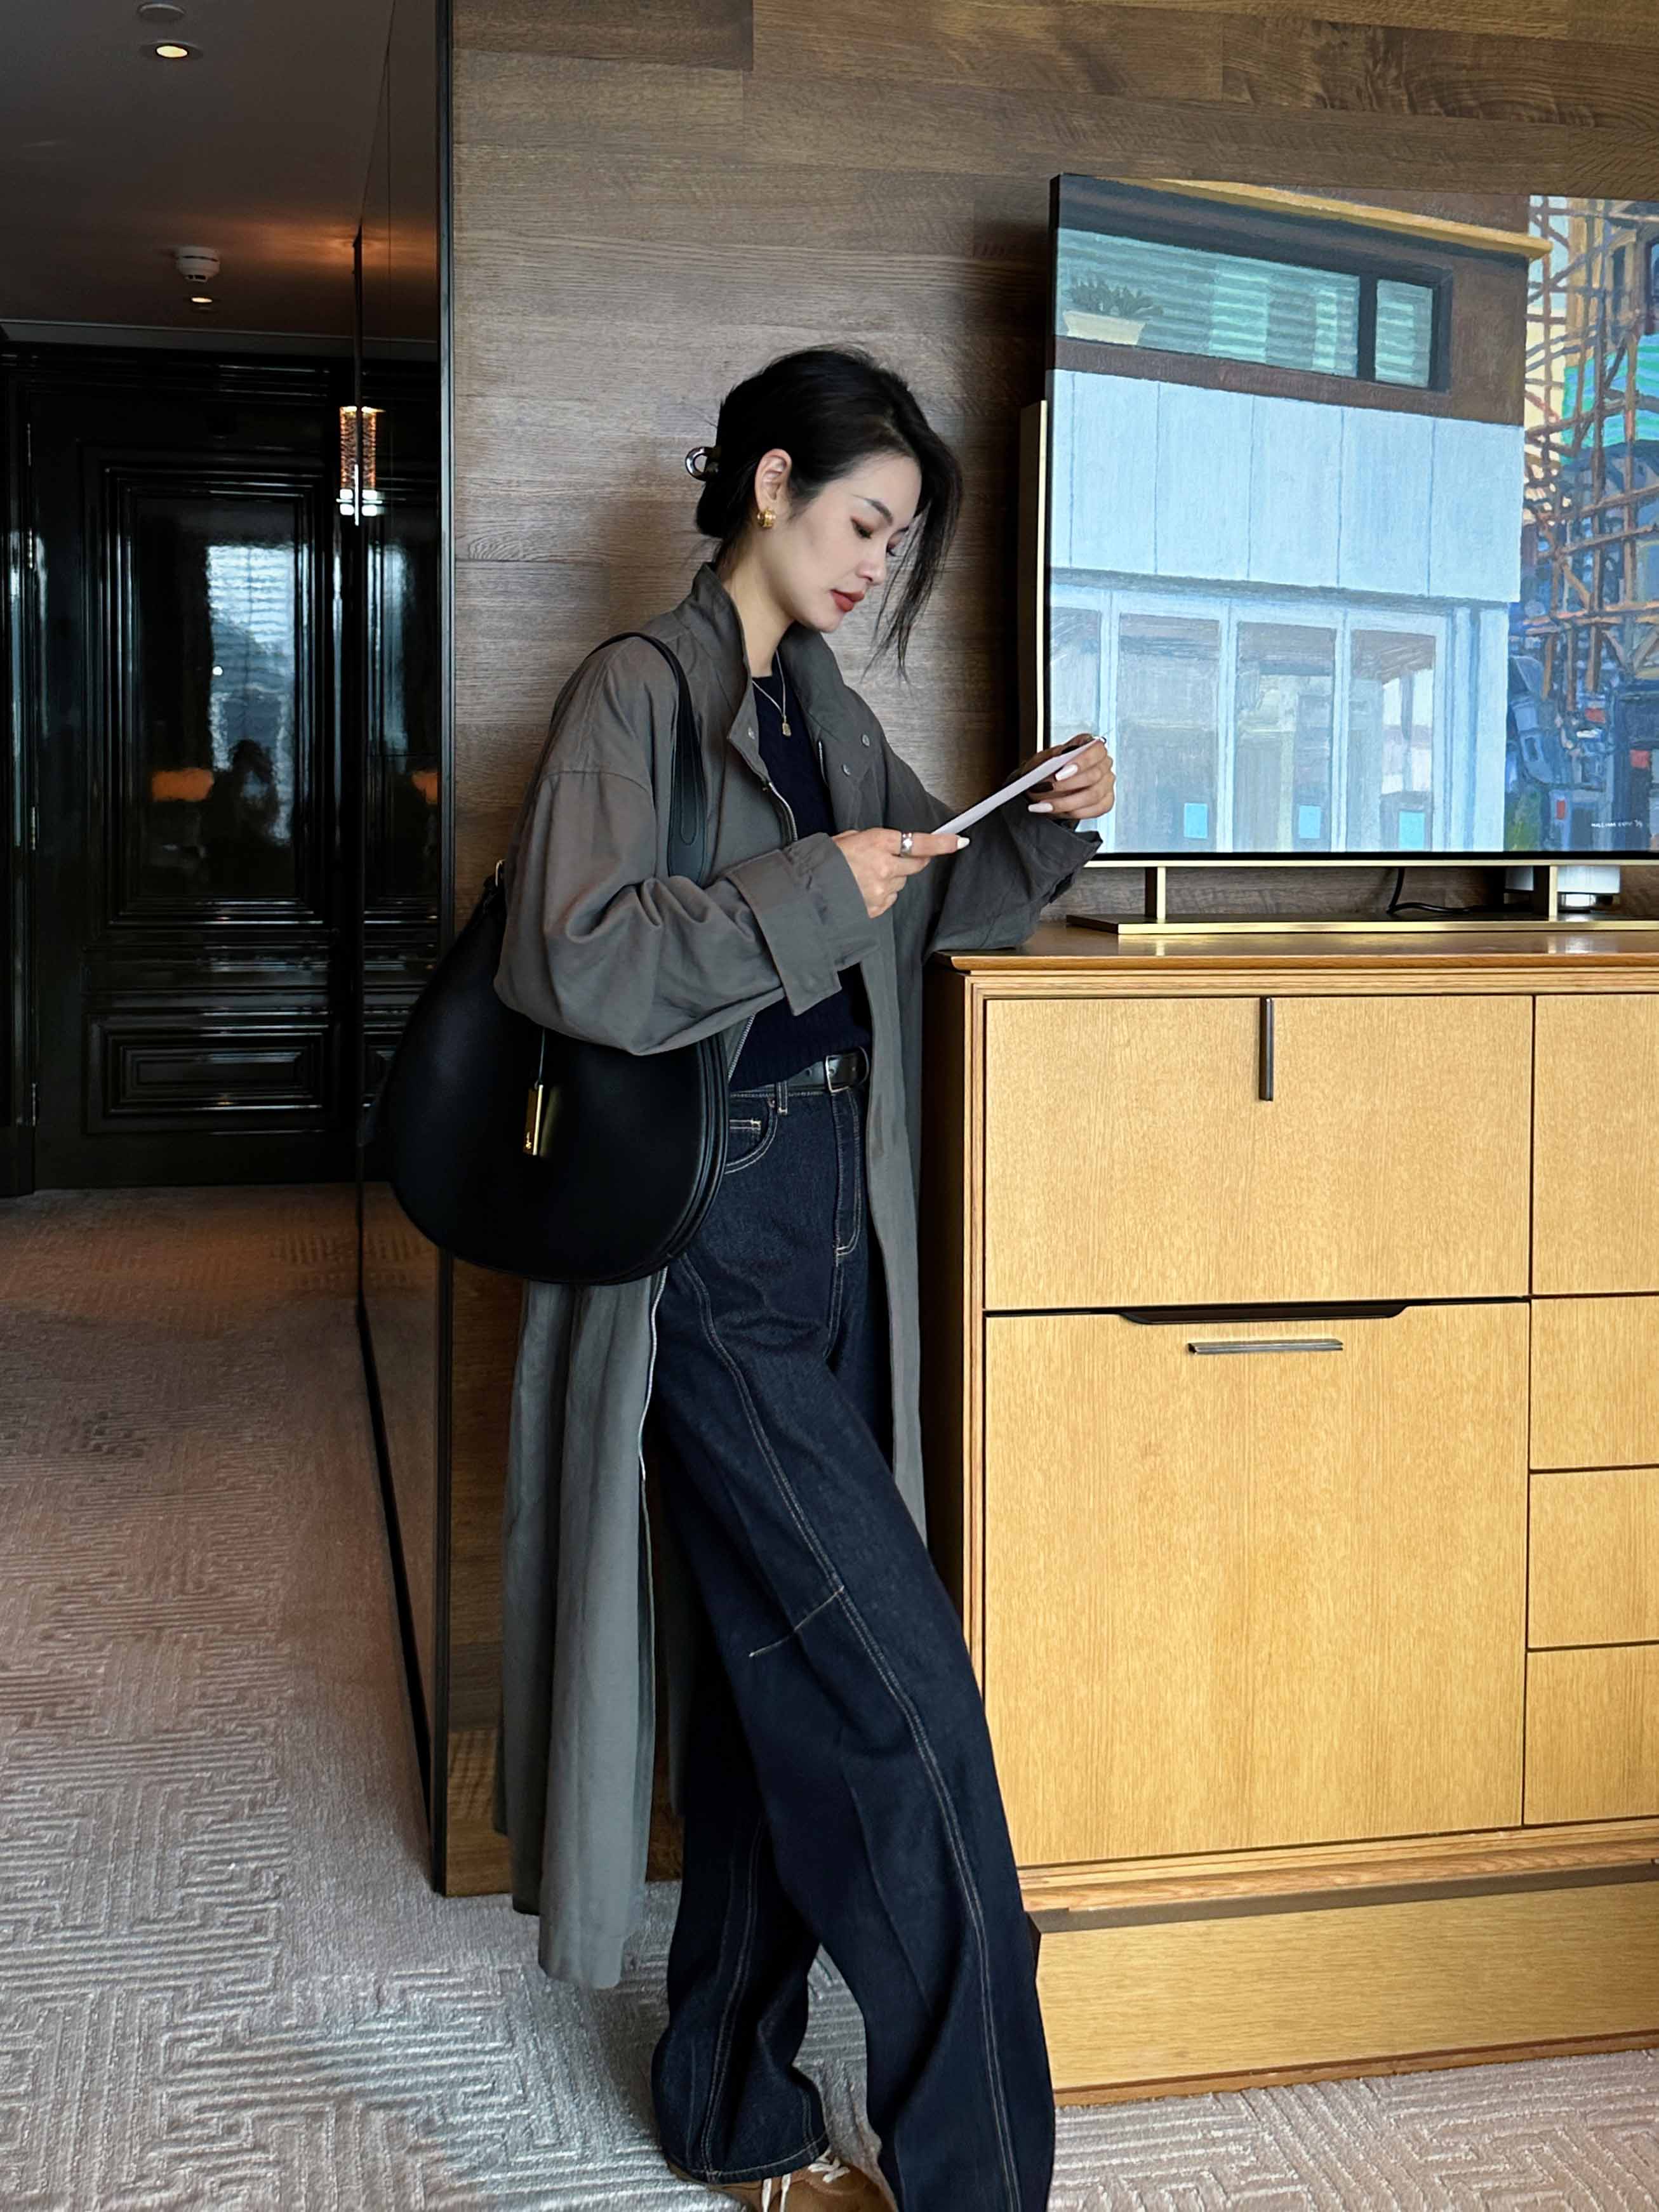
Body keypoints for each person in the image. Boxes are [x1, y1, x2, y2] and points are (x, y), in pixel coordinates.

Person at [492, 346, 1116, 2211]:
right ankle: (981, 2182)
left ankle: (731, 2109)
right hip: (709, 1258)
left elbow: (922, 899)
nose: (873, 563)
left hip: (838, 1230)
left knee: (785, 1682)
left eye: (898, 540)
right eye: (861, 521)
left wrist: (1047, 821)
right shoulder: (637, 692)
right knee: (910, 1716)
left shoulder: (821, 710)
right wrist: (817, 890)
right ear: (769, 484)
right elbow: (574, 960)